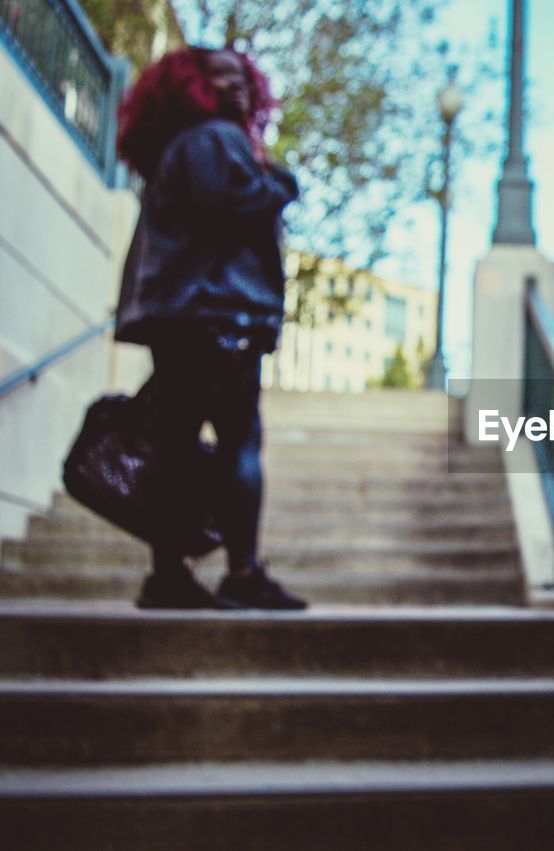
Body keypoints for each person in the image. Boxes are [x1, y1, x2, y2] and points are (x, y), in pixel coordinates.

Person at [114, 46, 306, 610]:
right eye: (223, 78)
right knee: (235, 444)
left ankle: (173, 574)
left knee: (181, 444)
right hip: (216, 317)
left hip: (192, 316)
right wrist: (281, 182)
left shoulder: (186, 146)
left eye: (244, 77)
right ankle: (227, 573)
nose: (238, 87)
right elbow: (231, 205)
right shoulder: (214, 140)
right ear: (193, 88)